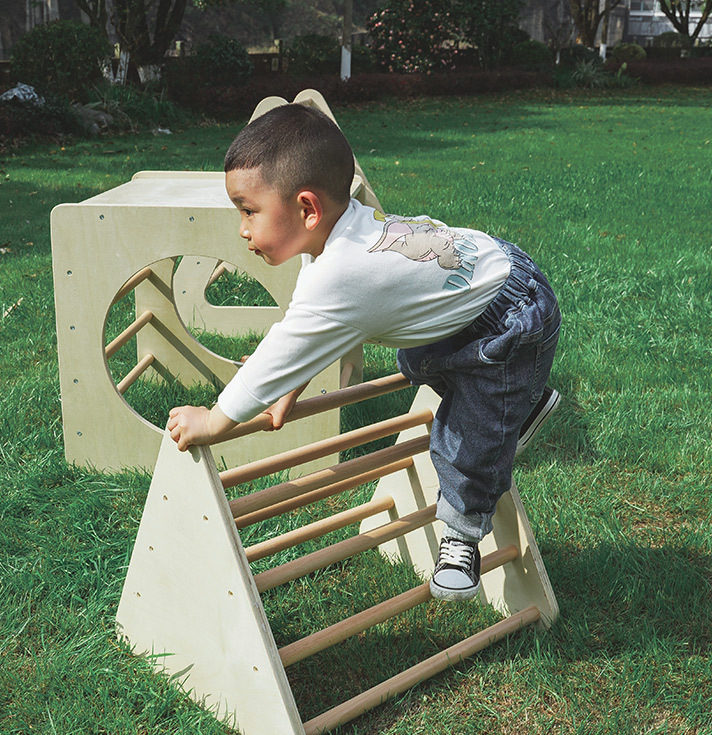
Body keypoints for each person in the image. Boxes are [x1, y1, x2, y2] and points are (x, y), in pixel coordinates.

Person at [167, 103, 561, 602]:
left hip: (509, 320)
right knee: (419, 361)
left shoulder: (341, 273)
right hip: (485, 278)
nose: (241, 228)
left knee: (468, 440)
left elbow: (286, 346)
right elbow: (303, 333)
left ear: (307, 209)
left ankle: (461, 538)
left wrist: (216, 420)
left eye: (248, 211)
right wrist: (290, 384)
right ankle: (520, 405)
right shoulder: (337, 238)